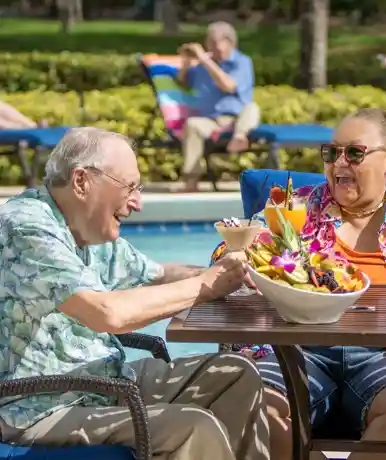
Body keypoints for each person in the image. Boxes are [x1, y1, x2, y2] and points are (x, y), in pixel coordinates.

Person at [209, 108, 386, 460]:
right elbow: (230, 251)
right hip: (296, 347)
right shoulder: (296, 208)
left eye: (354, 152)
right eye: (332, 152)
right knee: (246, 403)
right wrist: (234, 262)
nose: (339, 163)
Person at [0, 127, 270, 460]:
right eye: (130, 187)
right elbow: (107, 314)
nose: (138, 203)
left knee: (234, 375)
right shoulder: (27, 228)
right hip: (41, 408)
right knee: (192, 427)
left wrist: (230, 272)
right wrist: (205, 285)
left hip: (103, 383)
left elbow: (159, 274)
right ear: (82, 181)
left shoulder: (88, 230)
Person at [177, 21, 261, 192]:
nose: (214, 48)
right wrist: (186, 62)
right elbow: (183, 83)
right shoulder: (203, 65)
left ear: (230, 42)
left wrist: (204, 61)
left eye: (217, 43)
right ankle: (191, 181)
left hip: (237, 119)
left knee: (252, 108)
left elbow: (228, 85)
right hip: (212, 120)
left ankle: (239, 138)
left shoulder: (242, 62)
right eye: (210, 43)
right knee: (192, 124)